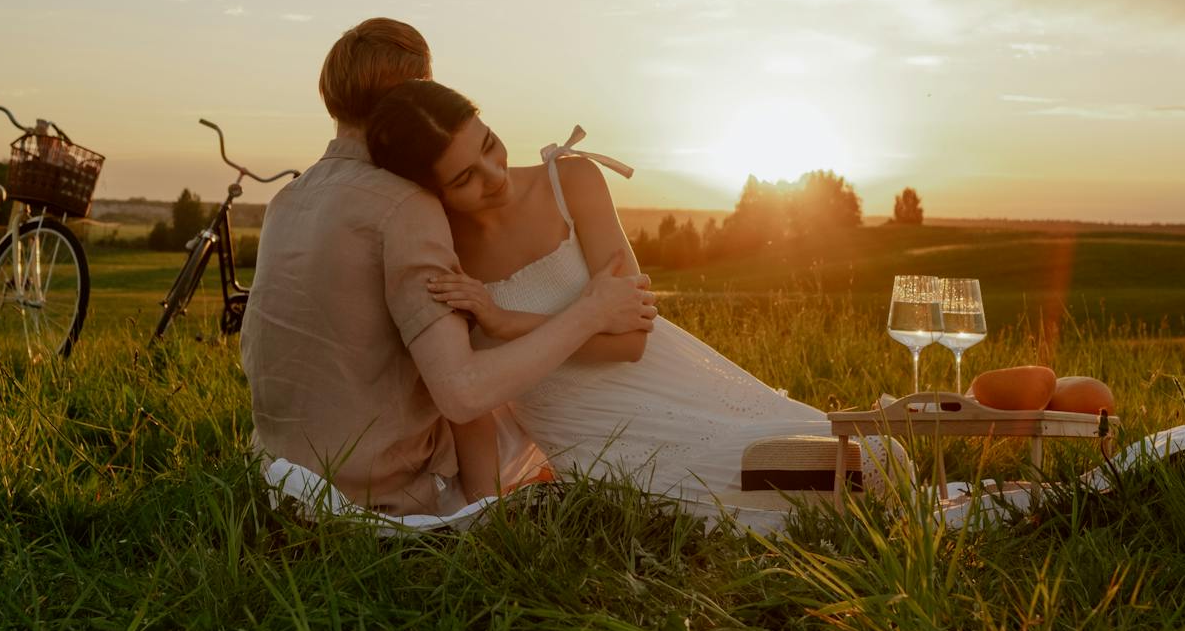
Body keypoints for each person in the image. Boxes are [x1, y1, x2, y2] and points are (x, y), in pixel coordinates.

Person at [366, 79, 907, 527]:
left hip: (670, 387)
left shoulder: (571, 181)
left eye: (488, 145)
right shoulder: (441, 253)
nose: (494, 177)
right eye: (464, 178)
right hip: (587, 443)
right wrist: (483, 515)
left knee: (884, 464)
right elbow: (473, 405)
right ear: (429, 191)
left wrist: (504, 322)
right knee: (801, 501)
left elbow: (629, 339)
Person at [240, 19, 658, 516]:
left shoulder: (286, 201)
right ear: (411, 101)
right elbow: (463, 394)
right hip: (385, 492)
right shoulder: (403, 205)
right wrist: (589, 313)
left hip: (279, 479)